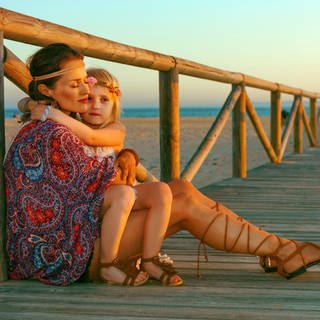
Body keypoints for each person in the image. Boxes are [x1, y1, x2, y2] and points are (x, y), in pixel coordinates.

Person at [5, 43, 320, 288]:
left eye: (84, 82)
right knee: (180, 202)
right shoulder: (50, 134)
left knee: (180, 190)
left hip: (83, 241)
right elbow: (104, 193)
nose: (87, 92)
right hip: (70, 257)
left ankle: (282, 250)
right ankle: (283, 250)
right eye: (76, 86)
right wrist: (124, 161)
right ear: (46, 91)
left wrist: (127, 153)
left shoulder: (60, 122)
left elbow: (98, 157)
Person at [18, 67, 183, 287]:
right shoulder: (68, 124)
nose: (95, 106)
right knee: (124, 194)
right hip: (90, 205)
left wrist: (128, 154)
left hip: (113, 197)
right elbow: (23, 102)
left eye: (104, 99)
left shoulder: (113, 128)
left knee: (162, 189)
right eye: (89, 98)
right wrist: (32, 105)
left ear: (115, 104)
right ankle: (108, 265)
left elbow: (93, 137)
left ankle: (150, 258)